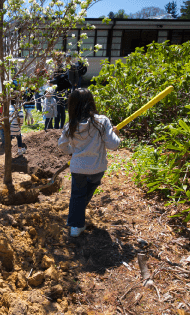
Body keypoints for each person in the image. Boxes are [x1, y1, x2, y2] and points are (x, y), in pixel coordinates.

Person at [57, 88, 120, 237]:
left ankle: (75, 226)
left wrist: (72, 149)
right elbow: (113, 145)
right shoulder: (102, 121)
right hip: (97, 168)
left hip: (78, 168)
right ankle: (77, 217)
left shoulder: (70, 125)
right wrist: (115, 135)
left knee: (78, 195)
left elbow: (62, 145)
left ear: (72, 106)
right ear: (91, 102)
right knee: (86, 193)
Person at [48, 53, 71, 129]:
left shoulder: (61, 67)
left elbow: (59, 79)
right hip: (60, 90)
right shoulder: (58, 67)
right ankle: (58, 126)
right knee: (59, 108)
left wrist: (51, 81)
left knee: (59, 108)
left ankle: (59, 126)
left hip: (60, 90)